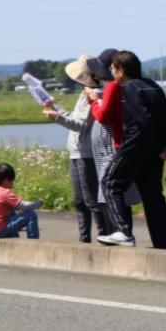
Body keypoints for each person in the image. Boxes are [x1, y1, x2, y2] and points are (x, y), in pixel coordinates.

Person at [98, 51, 166, 249]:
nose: (111, 72)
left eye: (112, 68)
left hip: (136, 145)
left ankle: (123, 232)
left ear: (121, 70)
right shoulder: (152, 85)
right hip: (154, 150)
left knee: (110, 183)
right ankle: (163, 242)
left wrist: (161, 145)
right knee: (153, 195)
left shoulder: (129, 87)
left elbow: (143, 120)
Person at [43, 54, 109, 243]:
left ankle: (104, 235)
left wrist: (57, 117)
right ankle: (84, 238)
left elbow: (80, 125)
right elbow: (75, 118)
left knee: (90, 200)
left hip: (86, 153)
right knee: (79, 201)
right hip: (76, 152)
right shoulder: (86, 93)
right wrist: (56, 108)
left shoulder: (94, 94)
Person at [85, 48, 140, 241]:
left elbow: (103, 115)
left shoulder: (113, 87)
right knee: (119, 191)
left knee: (110, 188)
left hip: (114, 146)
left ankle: (121, 233)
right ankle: (122, 233)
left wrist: (93, 102)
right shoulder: (125, 86)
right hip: (122, 144)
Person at [0, 162, 41, 240]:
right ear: (5, 180)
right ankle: (33, 241)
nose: (13, 184)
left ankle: (14, 237)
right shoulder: (4, 192)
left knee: (11, 211)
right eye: (11, 181)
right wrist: (38, 203)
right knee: (31, 214)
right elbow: (24, 206)